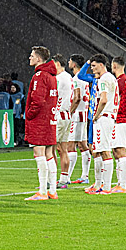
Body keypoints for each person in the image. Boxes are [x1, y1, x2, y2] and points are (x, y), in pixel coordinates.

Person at [24, 46, 59, 201]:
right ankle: (52, 190)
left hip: (40, 120)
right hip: (50, 119)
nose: (29, 58)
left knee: (39, 154)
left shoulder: (40, 76)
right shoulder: (52, 76)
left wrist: (29, 114)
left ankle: (42, 191)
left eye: (32, 56)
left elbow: (37, 100)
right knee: (49, 154)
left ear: (39, 59)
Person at [85, 54, 117, 195]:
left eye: (93, 66)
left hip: (104, 117)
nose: (92, 69)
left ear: (101, 65)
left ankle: (106, 187)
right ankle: (99, 184)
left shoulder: (104, 79)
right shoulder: (111, 78)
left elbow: (103, 99)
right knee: (98, 151)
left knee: (105, 151)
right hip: (109, 116)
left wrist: (96, 115)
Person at [109, 56, 126, 193]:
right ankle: (120, 183)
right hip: (125, 119)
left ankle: (123, 185)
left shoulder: (118, 82)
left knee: (120, 151)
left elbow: (116, 101)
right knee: (116, 151)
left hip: (120, 119)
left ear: (114, 66)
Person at [68, 55, 92, 185]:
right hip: (83, 114)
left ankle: (66, 176)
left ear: (74, 64)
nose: (68, 62)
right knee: (83, 145)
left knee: (70, 145)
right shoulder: (84, 79)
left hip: (76, 116)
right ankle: (85, 175)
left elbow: (77, 98)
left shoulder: (77, 78)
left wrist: (69, 113)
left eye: (70, 61)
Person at [53, 54, 75, 189]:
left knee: (50, 149)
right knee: (63, 149)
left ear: (57, 64)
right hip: (67, 115)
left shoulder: (59, 79)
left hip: (58, 115)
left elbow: (54, 97)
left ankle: (51, 178)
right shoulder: (69, 77)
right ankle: (64, 178)